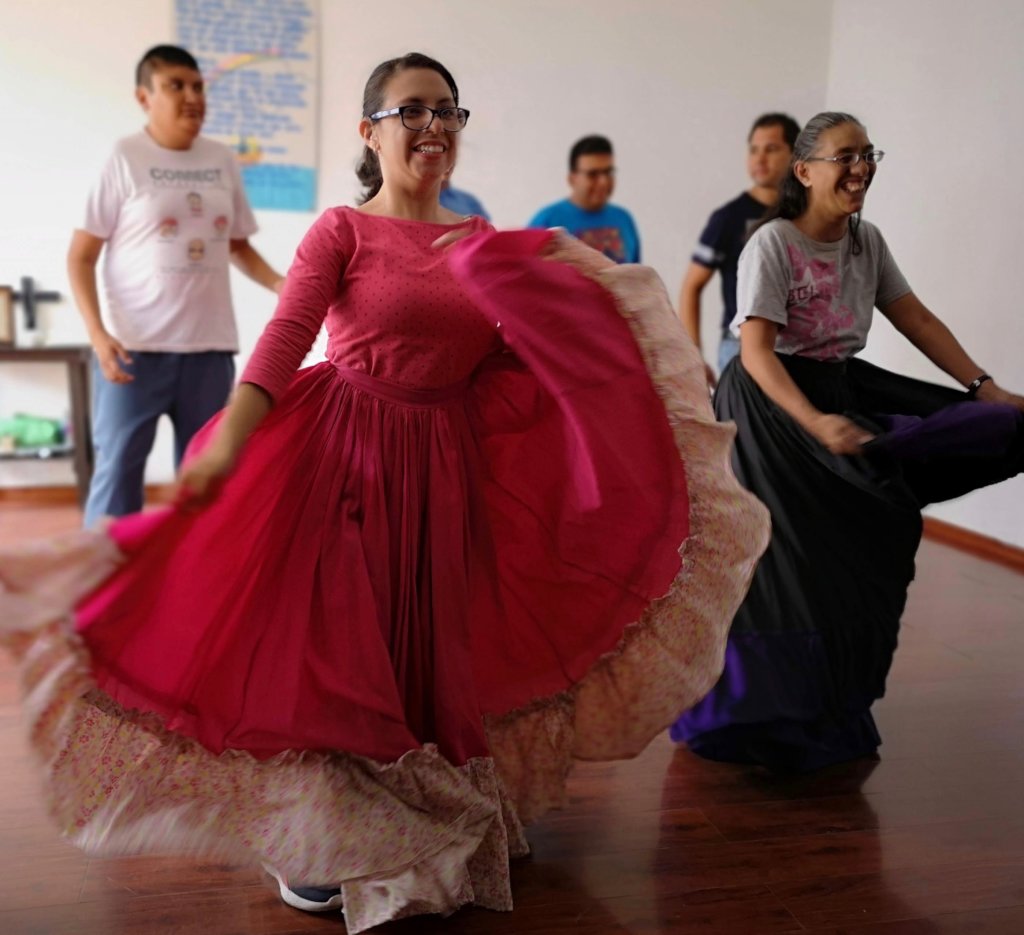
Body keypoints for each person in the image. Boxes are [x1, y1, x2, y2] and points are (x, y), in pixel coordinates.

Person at [0, 54, 768, 932]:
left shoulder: (479, 236)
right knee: (339, 649)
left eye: (448, 109)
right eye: (412, 110)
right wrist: (231, 445)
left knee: (428, 646)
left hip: (444, 470)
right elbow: (285, 339)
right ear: (370, 131)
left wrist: (576, 333)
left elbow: (520, 351)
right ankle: (322, 838)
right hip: (343, 459)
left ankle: (410, 801)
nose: (433, 124)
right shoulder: (341, 232)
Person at [671, 111, 1024, 773]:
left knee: (854, 554)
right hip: (769, 410)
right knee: (785, 569)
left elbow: (914, 317)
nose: (861, 168)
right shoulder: (771, 244)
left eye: (868, 154)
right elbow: (755, 353)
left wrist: (984, 386)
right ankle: (745, 720)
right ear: (804, 172)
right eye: (844, 156)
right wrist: (815, 423)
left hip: (835, 389)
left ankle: (829, 708)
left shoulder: (868, 242)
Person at [68, 44, 284, 528]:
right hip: (134, 352)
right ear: (144, 97)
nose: (192, 96)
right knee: (117, 480)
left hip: (209, 350)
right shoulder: (125, 156)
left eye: (198, 86)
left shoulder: (222, 159)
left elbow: (238, 246)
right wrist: (98, 336)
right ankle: (103, 596)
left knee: (207, 482)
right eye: (175, 86)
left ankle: (194, 590)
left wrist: (283, 285)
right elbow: (81, 256)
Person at [678, 113, 800, 387]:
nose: (759, 158)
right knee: (745, 430)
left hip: (799, 348)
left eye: (771, 148)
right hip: (739, 346)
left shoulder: (804, 216)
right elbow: (692, 286)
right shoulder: (728, 218)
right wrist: (693, 356)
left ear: (795, 154)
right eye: (754, 150)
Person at [527, 135, 640, 263]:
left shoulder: (624, 218)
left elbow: (637, 277)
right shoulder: (546, 220)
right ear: (572, 179)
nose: (603, 182)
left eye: (608, 172)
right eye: (592, 174)